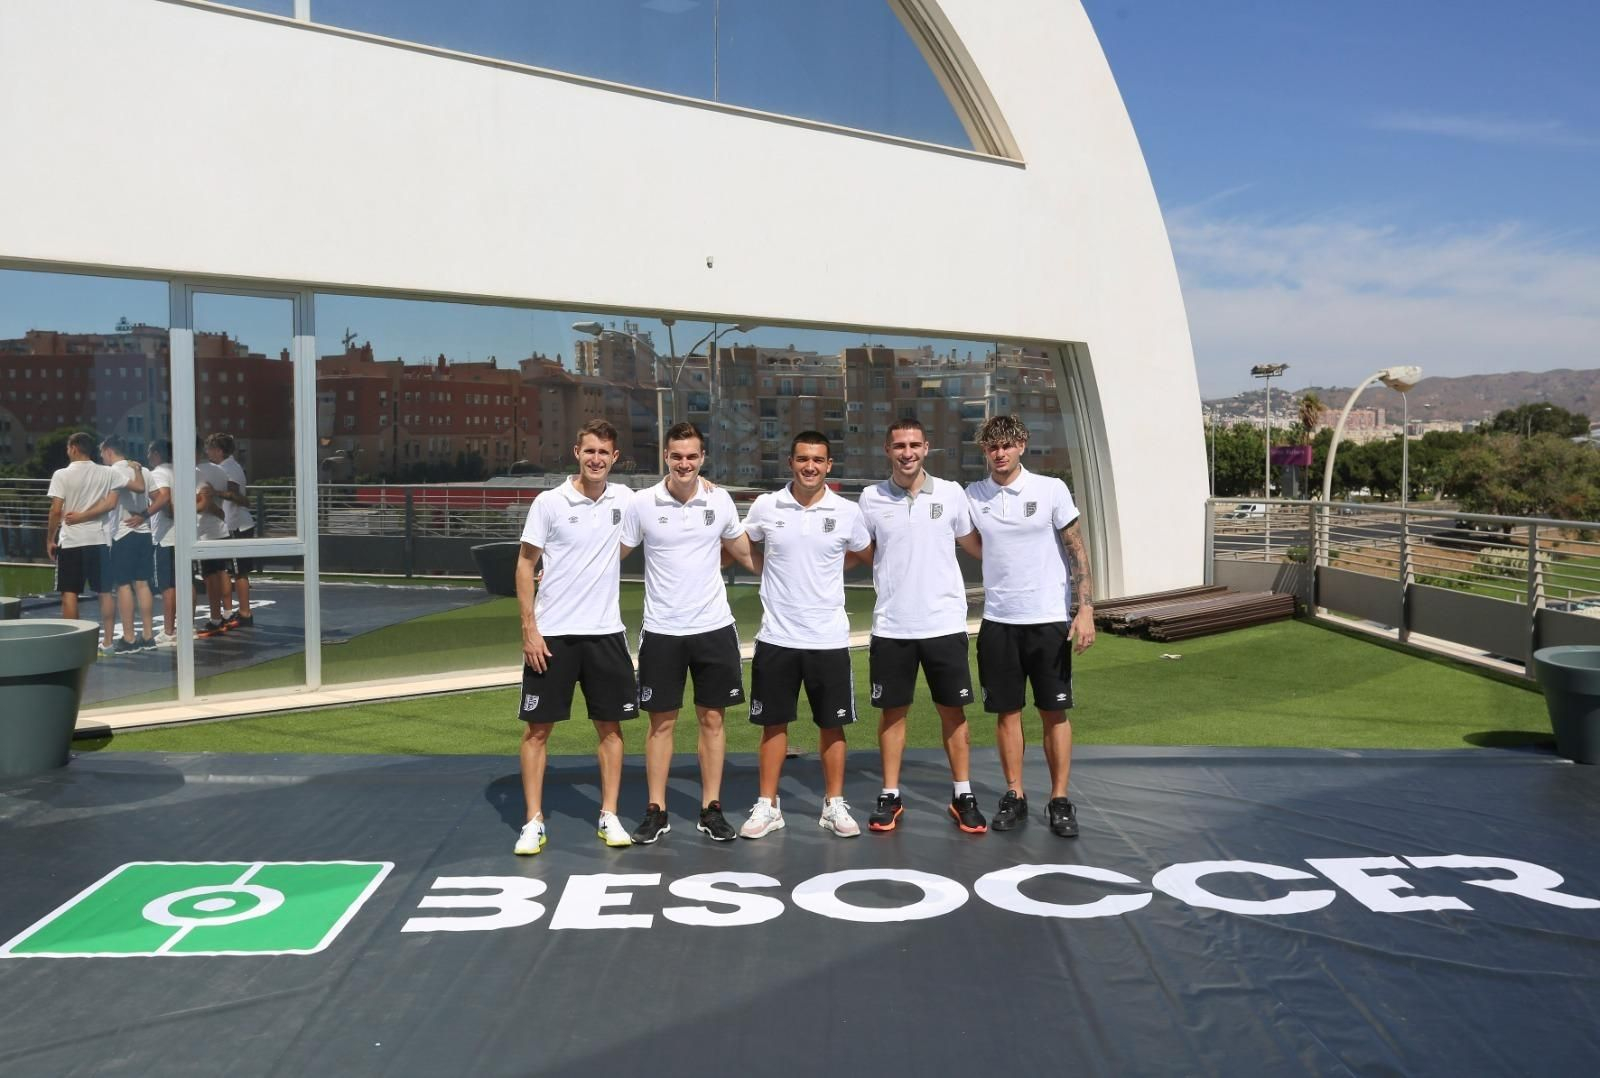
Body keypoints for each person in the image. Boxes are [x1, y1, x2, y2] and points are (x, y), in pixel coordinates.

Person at [619, 422, 753, 844]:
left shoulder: (721, 499)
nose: (684, 463)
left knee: (712, 720)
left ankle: (711, 809)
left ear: (702, 459)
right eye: (677, 456)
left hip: (714, 629)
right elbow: (609, 554)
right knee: (661, 724)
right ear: (665, 457)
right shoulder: (641, 504)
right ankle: (655, 810)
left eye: (692, 456)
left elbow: (743, 551)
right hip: (662, 632)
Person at [513, 419, 641, 855]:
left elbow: (674, 488)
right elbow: (525, 565)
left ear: (615, 457)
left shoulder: (625, 499)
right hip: (552, 638)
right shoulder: (549, 502)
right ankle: (533, 821)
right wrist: (530, 630)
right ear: (576, 452)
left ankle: (609, 814)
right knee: (537, 730)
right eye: (589, 451)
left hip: (606, 636)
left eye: (604, 452)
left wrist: (706, 482)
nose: (596, 459)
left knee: (611, 728)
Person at [966, 414, 1096, 838]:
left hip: (1047, 621)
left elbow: (1076, 550)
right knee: (1006, 713)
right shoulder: (973, 494)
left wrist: (1086, 610)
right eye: (991, 446)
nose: (999, 453)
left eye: (1006, 445)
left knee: (1053, 712)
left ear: (1022, 445)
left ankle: (1059, 799)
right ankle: (1015, 794)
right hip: (999, 621)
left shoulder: (1051, 489)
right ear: (984, 450)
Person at [738, 431, 872, 840]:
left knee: (832, 726)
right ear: (791, 462)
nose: (809, 466)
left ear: (829, 466)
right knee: (773, 725)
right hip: (777, 636)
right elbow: (741, 543)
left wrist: (827, 568)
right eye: (802, 459)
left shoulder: (847, 512)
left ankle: (833, 804)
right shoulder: (766, 505)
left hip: (828, 638)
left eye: (818, 459)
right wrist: (766, 571)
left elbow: (864, 553)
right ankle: (768, 805)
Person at [857, 418, 988, 833]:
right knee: (893, 714)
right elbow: (864, 551)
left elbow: (978, 547)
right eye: (899, 445)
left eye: (914, 444)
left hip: (944, 624)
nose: (907, 452)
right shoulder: (870, 498)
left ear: (927, 447)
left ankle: (962, 793)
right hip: (893, 627)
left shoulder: (951, 494)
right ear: (887, 450)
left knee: (953, 711)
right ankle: (890, 795)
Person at [45, 432, 128, 649]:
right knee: (104, 592)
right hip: (99, 540)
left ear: (73, 448)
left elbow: (55, 511)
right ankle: (108, 642)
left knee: (69, 593)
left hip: (71, 541)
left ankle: (74, 645)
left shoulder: (61, 475)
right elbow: (111, 503)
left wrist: (49, 539)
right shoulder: (108, 473)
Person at [96, 437, 155, 652]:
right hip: (144, 531)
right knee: (143, 583)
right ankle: (148, 636)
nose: (102, 457)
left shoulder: (111, 472)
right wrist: (144, 515)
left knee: (123, 585)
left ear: (109, 451)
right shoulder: (144, 470)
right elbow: (160, 497)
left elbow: (107, 503)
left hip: (122, 533)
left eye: (103, 453)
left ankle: (129, 637)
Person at [206, 432, 255, 629]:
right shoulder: (227, 467)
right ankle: (229, 611)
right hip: (232, 524)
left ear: (218, 451)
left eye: (210, 449)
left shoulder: (228, 469)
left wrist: (216, 493)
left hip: (237, 524)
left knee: (239, 572)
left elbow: (236, 495)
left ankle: (245, 613)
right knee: (229, 570)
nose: (207, 452)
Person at [143, 440, 179, 647]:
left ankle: (169, 631)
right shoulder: (180, 471)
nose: (148, 457)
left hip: (166, 537)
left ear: (156, 454)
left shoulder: (157, 473)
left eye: (150, 453)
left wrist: (143, 515)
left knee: (167, 586)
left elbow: (164, 498)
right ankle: (185, 626)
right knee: (186, 583)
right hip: (183, 536)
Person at [195, 447, 233, 636]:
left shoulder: (196, 472)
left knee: (210, 577)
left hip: (204, 530)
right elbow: (217, 499)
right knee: (222, 572)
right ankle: (227, 612)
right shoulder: (219, 470)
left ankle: (216, 618)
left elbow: (204, 502)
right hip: (219, 526)